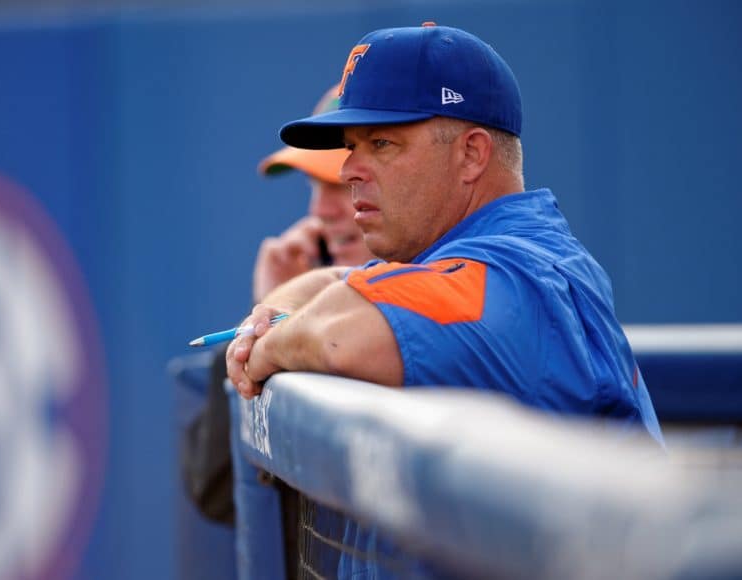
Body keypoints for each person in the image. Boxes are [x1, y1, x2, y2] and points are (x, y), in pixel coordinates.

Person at [226, 23, 664, 446]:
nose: (349, 170)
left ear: (471, 155)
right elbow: (332, 282)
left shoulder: (519, 274)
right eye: (352, 146)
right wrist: (270, 311)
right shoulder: (463, 252)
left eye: (382, 144)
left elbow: (341, 335)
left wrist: (263, 346)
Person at [180, 86, 375, 531]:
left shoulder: (455, 297)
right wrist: (268, 314)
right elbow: (218, 493)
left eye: (341, 185)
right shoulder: (314, 295)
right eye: (315, 186)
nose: (319, 210)